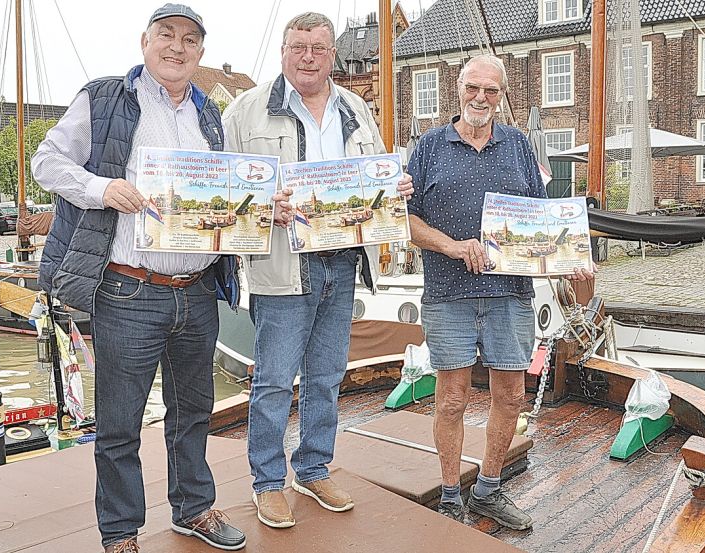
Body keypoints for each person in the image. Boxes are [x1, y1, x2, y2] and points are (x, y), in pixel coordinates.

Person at [32, 5, 249, 552]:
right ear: (144, 41)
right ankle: (121, 532)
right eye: (167, 36)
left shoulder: (209, 114)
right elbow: (47, 161)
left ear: (201, 52)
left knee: (194, 413)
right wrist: (100, 189)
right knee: (120, 423)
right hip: (128, 288)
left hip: (197, 290)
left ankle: (193, 509)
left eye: (190, 40)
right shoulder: (104, 98)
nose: (178, 47)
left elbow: (219, 197)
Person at [222, 12, 412, 529]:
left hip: (343, 261)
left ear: (332, 54)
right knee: (275, 381)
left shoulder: (355, 108)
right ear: (283, 50)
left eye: (319, 48)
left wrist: (392, 192)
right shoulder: (245, 111)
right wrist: (265, 204)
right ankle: (267, 482)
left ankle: (312, 467)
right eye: (299, 46)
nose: (308, 57)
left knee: (327, 377)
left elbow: (374, 173)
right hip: (283, 266)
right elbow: (223, 185)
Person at [406, 54, 593, 529]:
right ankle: (451, 495)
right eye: (474, 88)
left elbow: (540, 217)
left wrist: (568, 261)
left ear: (503, 95)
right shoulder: (429, 146)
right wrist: (452, 246)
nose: (481, 98)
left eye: (492, 91)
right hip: (449, 291)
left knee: (510, 396)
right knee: (451, 397)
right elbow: (406, 222)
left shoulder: (517, 146)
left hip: (510, 292)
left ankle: (488, 489)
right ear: (459, 88)